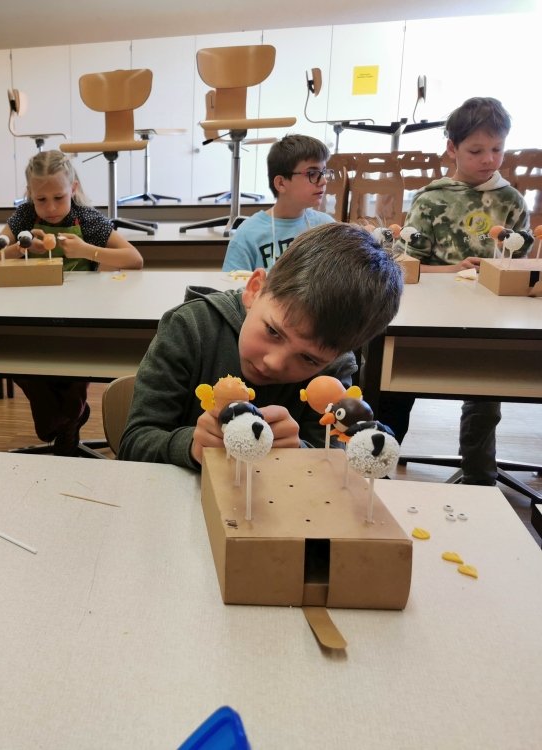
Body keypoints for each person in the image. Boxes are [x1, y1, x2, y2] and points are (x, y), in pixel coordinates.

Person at [119, 223, 403, 470]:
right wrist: (191, 446)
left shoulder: (333, 372)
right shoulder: (190, 328)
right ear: (255, 289)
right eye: (273, 331)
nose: (274, 363)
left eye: (308, 359)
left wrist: (300, 453)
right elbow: (134, 445)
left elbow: (332, 466)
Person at [380, 96, 529, 485]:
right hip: (429, 318)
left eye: (497, 149)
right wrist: (453, 269)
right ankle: (376, 468)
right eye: (476, 151)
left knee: (485, 397)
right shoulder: (432, 200)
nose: (489, 160)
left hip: (488, 320)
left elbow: (519, 265)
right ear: (452, 148)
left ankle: (479, 478)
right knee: (395, 391)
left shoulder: (511, 201)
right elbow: (406, 267)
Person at [0, 150, 144, 455]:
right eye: (41, 199)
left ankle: (65, 421)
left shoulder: (88, 220)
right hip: (31, 316)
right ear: (30, 195)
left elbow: (134, 258)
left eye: (59, 197)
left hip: (79, 319)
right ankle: (70, 419)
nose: (50, 208)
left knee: (71, 367)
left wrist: (86, 250)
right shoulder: (24, 217)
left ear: (73, 189)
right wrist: (18, 248)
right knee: (16, 357)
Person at [222, 135, 336, 272]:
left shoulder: (326, 227)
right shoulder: (248, 234)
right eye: (312, 173)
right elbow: (231, 285)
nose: (323, 181)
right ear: (281, 183)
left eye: (323, 172)